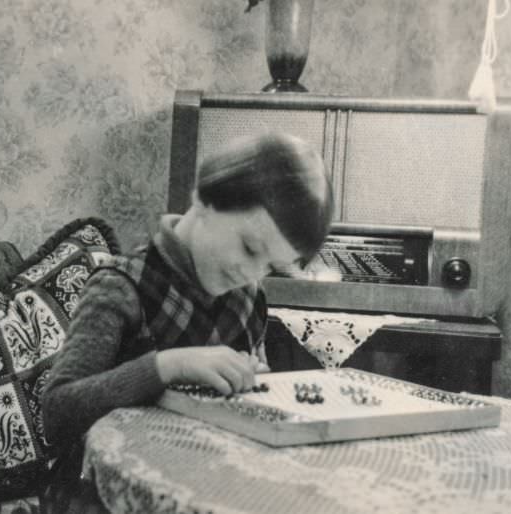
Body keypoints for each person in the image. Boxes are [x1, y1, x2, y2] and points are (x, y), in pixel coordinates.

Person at [40, 131, 334, 510]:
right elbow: (56, 414)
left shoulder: (248, 296)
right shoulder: (120, 287)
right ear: (205, 199)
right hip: (99, 498)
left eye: (270, 265)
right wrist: (168, 367)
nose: (251, 273)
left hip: (204, 490)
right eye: (249, 248)